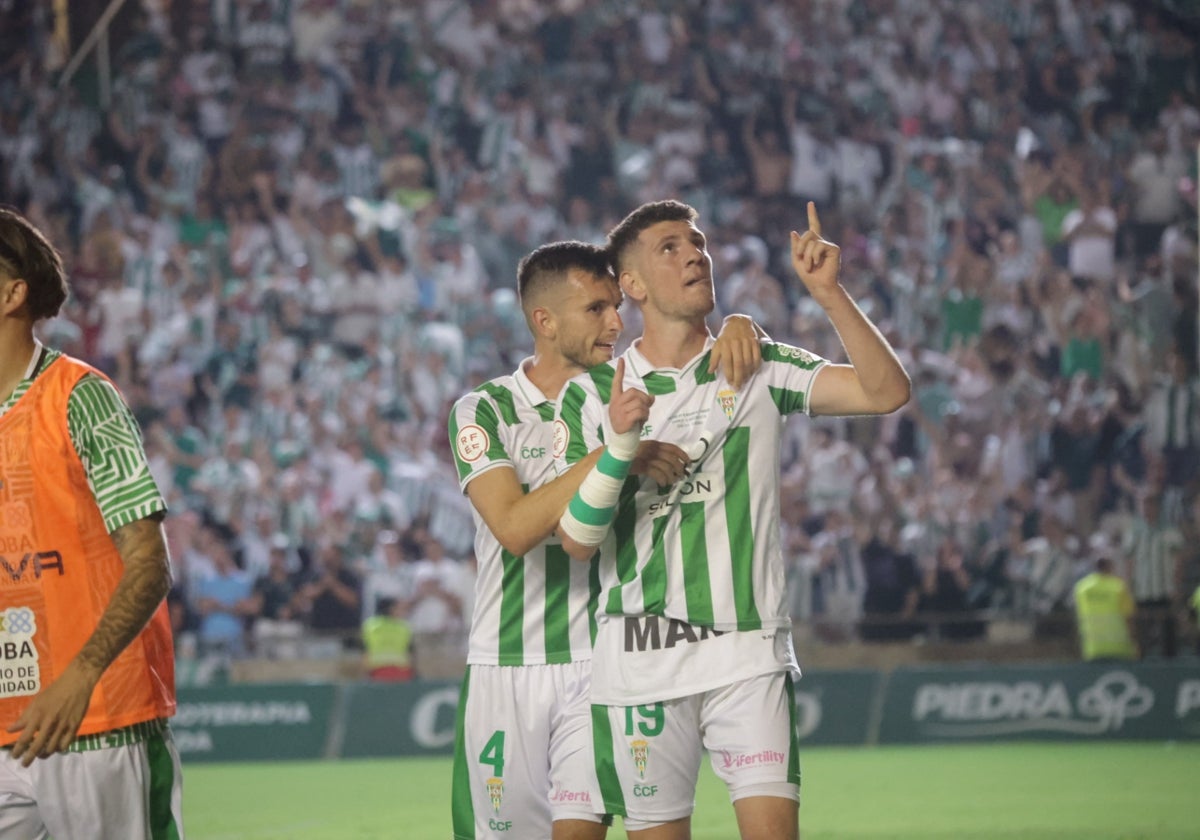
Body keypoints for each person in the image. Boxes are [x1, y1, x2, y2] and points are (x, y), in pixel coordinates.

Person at [555, 201, 909, 839]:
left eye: (697, 242)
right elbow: (577, 541)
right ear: (630, 285)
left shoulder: (758, 363)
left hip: (746, 650)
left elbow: (885, 393)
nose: (695, 253)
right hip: (640, 661)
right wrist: (621, 451)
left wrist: (829, 295)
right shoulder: (591, 393)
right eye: (669, 247)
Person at [448, 240, 764, 840]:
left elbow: (696, 356)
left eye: (617, 306)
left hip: (603, 662)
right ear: (544, 321)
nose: (616, 323)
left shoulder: (632, 393)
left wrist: (738, 325)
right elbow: (513, 528)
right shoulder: (483, 409)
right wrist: (617, 452)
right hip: (505, 662)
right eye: (595, 309)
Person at [0, 206, 183, 838]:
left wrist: (80, 675)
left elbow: (151, 563)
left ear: (12, 293)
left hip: (99, 722)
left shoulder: (82, 397)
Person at [1072, 557, 1137, 662]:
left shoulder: (1081, 588)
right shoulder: (1118, 587)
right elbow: (1128, 618)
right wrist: (1135, 643)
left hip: (1092, 648)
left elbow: (1077, 615)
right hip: (1120, 648)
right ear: (1110, 567)